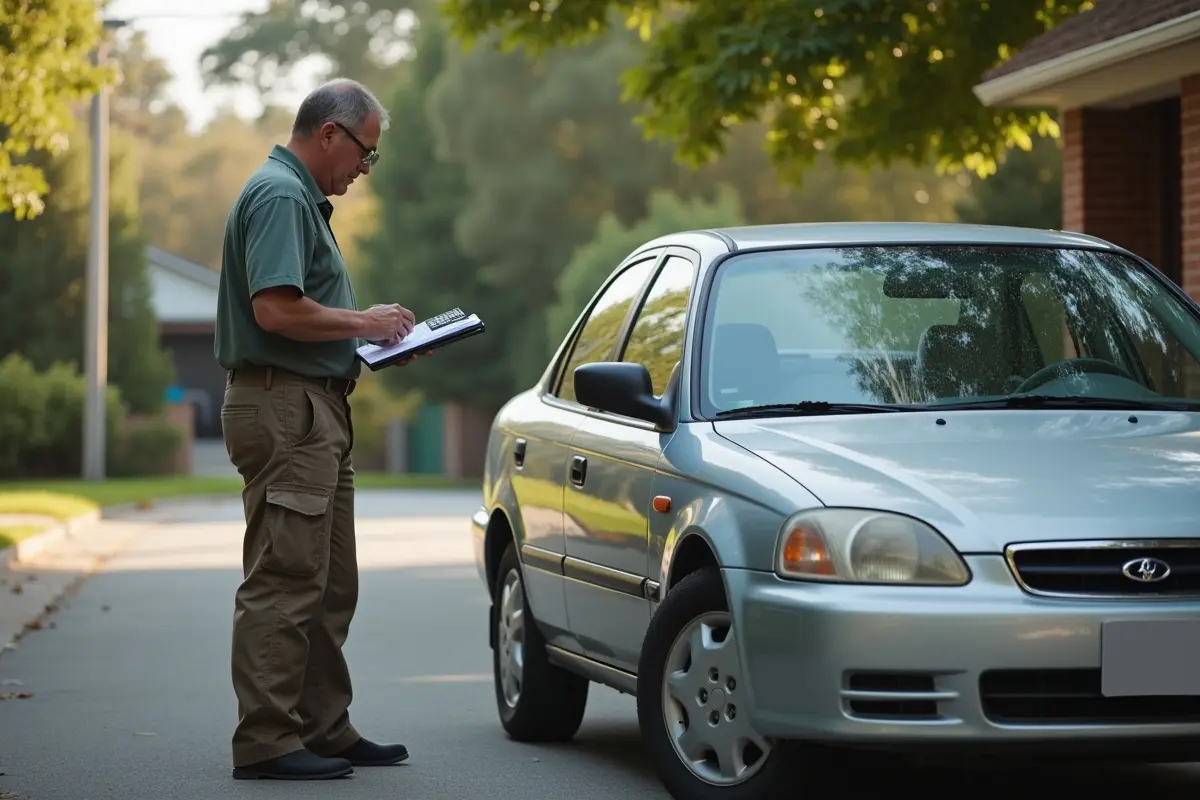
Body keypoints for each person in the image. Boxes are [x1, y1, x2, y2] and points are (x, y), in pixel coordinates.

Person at [215, 77, 423, 781]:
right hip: (285, 407)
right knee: (286, 577)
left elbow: (301, 314)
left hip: (316, 405)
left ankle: (323, 727)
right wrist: (364, 323)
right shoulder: (279, 195)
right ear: (330, 134)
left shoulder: (302, 199)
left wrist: (366, 344)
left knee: (331, 581)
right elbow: (275, 310)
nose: (365, 167)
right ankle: (268, 741)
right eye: (366, 152)